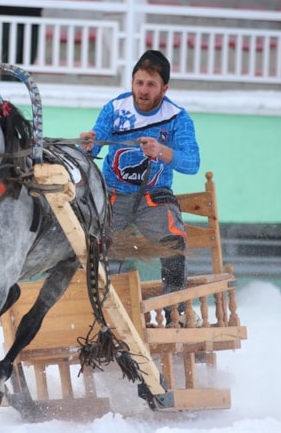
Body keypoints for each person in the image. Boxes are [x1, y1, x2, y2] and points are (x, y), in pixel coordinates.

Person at [79, 50, 200, 323]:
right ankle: (94, 313)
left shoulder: (178, 118)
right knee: (89, 243)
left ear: (164, 88)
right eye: (139, 83)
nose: (143, 90)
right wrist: (88, 144)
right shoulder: (114, 109)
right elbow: (96, 141)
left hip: (154, 197)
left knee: (174, 242)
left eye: (151, 84)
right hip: (113, 195)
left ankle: (175, 314)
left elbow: (192, 163)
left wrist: (161, 151)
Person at [0, 0, 44, 80]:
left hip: (32, 14)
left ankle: (24, 88)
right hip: (8, 13)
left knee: (28, 59)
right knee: (10, 59)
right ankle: (7, 87)